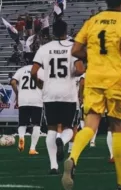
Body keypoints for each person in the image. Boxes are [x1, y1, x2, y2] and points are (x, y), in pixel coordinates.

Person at [62, 0, 121, 190]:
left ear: (106, 0)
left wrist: (93, 57)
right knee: (117, 128)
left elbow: (76, 50)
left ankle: (73, 157)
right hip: (116, 79)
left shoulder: (92, 21)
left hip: (94, 78)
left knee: (90, 124)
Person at [31, 19, 85, 174]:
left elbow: (34, 71)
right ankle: (63, 140)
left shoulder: (44, 48)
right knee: (69, 128)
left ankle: (53, 166)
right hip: (68, 94)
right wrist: (73, 74)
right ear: (66, 31)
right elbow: (80, 70)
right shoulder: (73, 47)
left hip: (50, 93)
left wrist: (39, 83)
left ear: (53, 32)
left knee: (51, 129)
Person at [11, 59, 44, 155]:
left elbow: (13, 82)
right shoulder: (41, 71)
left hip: (23, 99)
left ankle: (21, 137)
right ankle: (32, 148)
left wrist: (17, 94)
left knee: (22, 123)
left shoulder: (21, 70)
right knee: (36, 125)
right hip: (37, 99)